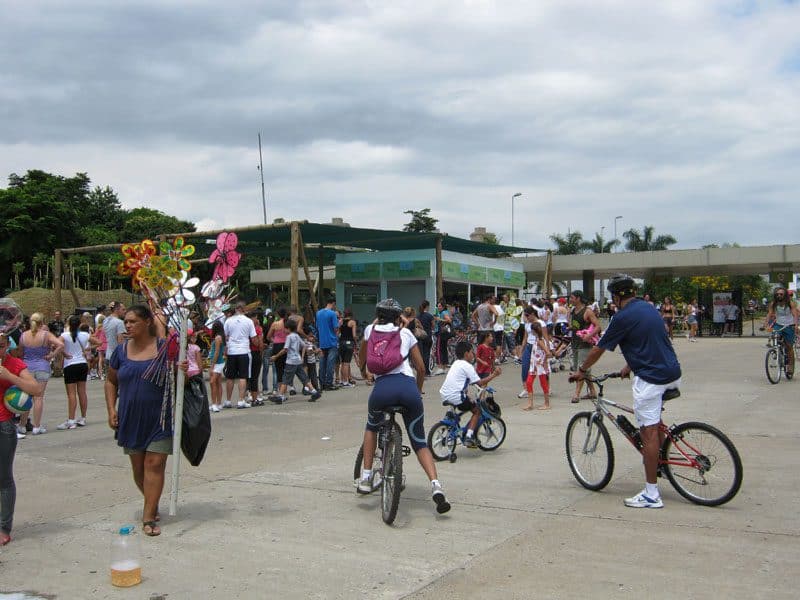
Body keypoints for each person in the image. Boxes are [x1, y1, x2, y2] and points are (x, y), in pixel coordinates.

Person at [572, 274, 681, 509]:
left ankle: (651, 494)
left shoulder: (621, 317)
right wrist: (629, 366)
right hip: (672, 372)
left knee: (647, 434)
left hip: (651, 378)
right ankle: (661, 462)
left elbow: (598, 349)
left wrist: (581, 371)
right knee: (655, 422)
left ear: (615, 296)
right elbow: (648, 340)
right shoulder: (648, 308)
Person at [356, 299, 451, 514]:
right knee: (419, 441)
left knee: (371, 427)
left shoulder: (370, 330)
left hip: (382, 391)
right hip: (408, 390)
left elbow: (362, 358)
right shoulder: (406, 334)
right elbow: (421, 368)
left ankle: (366, 477)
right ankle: (436, 486)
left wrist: (364, 373)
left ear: (378, 315)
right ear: (399, 317)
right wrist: (417, 392)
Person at [104, 304, 176, 536]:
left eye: (133, 321)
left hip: (160, 418)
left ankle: (148, 518)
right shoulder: (121, 351)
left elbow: (182, 375)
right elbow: (111, 381)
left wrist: (183, 368)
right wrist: (111, 409)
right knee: (138, 469)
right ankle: (151, 502)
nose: (127, 325)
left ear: (147, 322)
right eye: (126, 321)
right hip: (130, 417)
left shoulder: (164, 348)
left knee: (153, 464)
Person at [0, 332, 42, 545]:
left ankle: (3, 527)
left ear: (7, 345)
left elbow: (36, 389)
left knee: (4, 478)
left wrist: (10, 376)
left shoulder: (13, 364)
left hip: (3, 426)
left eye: (1, 346)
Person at [439, 341, 501, 448]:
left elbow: (460, 382)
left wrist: (466, 394)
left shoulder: (456, 363)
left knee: (463, 402)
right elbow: (480, 383)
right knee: (477, 411)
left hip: (444, 394)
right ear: (466, 354)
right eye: (472, 352)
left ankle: (449, 418)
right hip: (456, 396)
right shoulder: (467, 366)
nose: (473, 355)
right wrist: (494, 374)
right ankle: (469, 436)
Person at [20, 312, 64, 436]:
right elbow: (60, 344)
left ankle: (22, 425)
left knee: (26, 396)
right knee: (38, 397)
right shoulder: (45, 334)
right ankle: (37, 426)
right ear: (42, 322)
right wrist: (51, 355)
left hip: (27, 368)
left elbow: (20, 352)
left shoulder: (24, 335)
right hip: (42, 367)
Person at [57, 315, 100, 430]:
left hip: (70, 364)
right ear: (79, 324)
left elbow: (56, 345)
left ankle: (71, 419)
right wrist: (88, 348)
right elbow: (99, 342)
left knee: (71, 394)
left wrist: (64, 353)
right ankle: (83, 417)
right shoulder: (85, 335)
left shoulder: (64, 335)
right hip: (82, 364)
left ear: (69, 324)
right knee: (82, 392)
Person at [269, 319, 321, 403]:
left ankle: (280, 396)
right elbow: (304, 345)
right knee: (303, 377)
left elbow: (285, 349)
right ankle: (314, 392)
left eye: (285, 328)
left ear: (289, 329)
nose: (284, 330)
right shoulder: (297, 336)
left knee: (285, 378)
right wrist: (306, 353)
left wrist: (276, 356)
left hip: (291, 361)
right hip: (298, 360)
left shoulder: (289, 337)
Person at [223, 301, 258, 409]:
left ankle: (228, 400)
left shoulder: (228, 321)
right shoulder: (248, 321)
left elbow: (225, 336)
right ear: (244, 309)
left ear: (235, 309)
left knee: (230, 377)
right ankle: (241, 400)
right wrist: (259, 345)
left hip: (232, 351)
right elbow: (253, 338)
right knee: (243, 376)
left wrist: (227, 348)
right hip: (244, 351)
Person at [568, 290, 601, 404]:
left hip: (585, 345)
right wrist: (570, 328)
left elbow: (598, 326)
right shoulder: (573, 310)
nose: (570, 300)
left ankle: (576, 394)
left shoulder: (587, 311)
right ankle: (592, 391)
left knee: (580, 369)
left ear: (578, 298)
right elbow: (575, 326)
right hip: (575, 343)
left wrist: (589, 336)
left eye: (572, 298)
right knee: (584, 370)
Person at [763, 286, 798, 377]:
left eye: (781, 294)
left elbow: (795, 315)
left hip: (789, 325)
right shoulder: (774, 304)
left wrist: (795, 325)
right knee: (775, 336)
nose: (779, 295)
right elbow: (769, 314)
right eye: (777, 294)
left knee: (789, 346)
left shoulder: (790, 303)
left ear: (785, 295)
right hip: (778, 325)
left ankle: (790, 365)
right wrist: (765, 324)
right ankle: (776, 349)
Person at [523, 319, 551, 411]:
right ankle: (530, 403)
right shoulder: (536, 340)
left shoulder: (540, 341)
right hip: (534, 365)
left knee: (543, 383)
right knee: (529, 382)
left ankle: (547, 403)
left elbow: (548, 353)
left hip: (540, 366)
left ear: (534, 331)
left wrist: (544, 362)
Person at [316, 298, 340, 391]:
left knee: (322, 363)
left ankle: (322, 384)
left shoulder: (318, 313)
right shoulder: (332, 314)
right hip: (332, 341)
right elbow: (335, 328)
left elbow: (317, 327)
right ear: (333, 303)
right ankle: (329, 384)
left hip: (322, 342)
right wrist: (339, 325)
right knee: (330, 364)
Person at [246, 312, 265, 406]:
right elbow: (259, 343)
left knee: (247, 376)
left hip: (245, 352)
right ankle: (255, 397)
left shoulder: (245, 328)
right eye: (256, 318)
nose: (257, 320)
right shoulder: (257, 329)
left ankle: (248, 395)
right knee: (254, 376)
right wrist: (261, 352)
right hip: (255, 353)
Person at [208, 320, 226, 413]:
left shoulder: (217, 338)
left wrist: (212, 365)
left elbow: (217, 352)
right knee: (218, 382)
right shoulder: (221, 337)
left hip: (217, 362)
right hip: (219, 362)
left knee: (212, 382)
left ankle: (214, 403)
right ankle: (218, 403)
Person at [338, 308, 358, 387]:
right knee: (346, 363)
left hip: (341, 343)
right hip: (349, 343)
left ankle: (342, 380)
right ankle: (346, 382)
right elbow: (354, 335)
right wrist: (356, 343)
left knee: (342, 363)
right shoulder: (352, 322)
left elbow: (338, 333)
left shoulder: (341, 321)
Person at [432, 301, 453, 375]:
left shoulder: (443, 313)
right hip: (444, 334)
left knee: (439, 350)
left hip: (441, 333)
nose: (438, 307)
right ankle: (444, 367)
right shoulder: (445, 312)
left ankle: (440, 367)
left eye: (440, 306)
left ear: (443, 307)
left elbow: (449, 320)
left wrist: (439, 319)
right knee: (443, 349)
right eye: (438, 306)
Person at [417, 301, 435, 376]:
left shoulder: (418, 316)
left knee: (421, 354)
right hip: (428, 337)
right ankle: (427, 372)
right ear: (427, 306)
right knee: (427, 354)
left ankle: (421, 371)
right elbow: (433, 326)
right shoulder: (429, 316)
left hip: (420, 337)